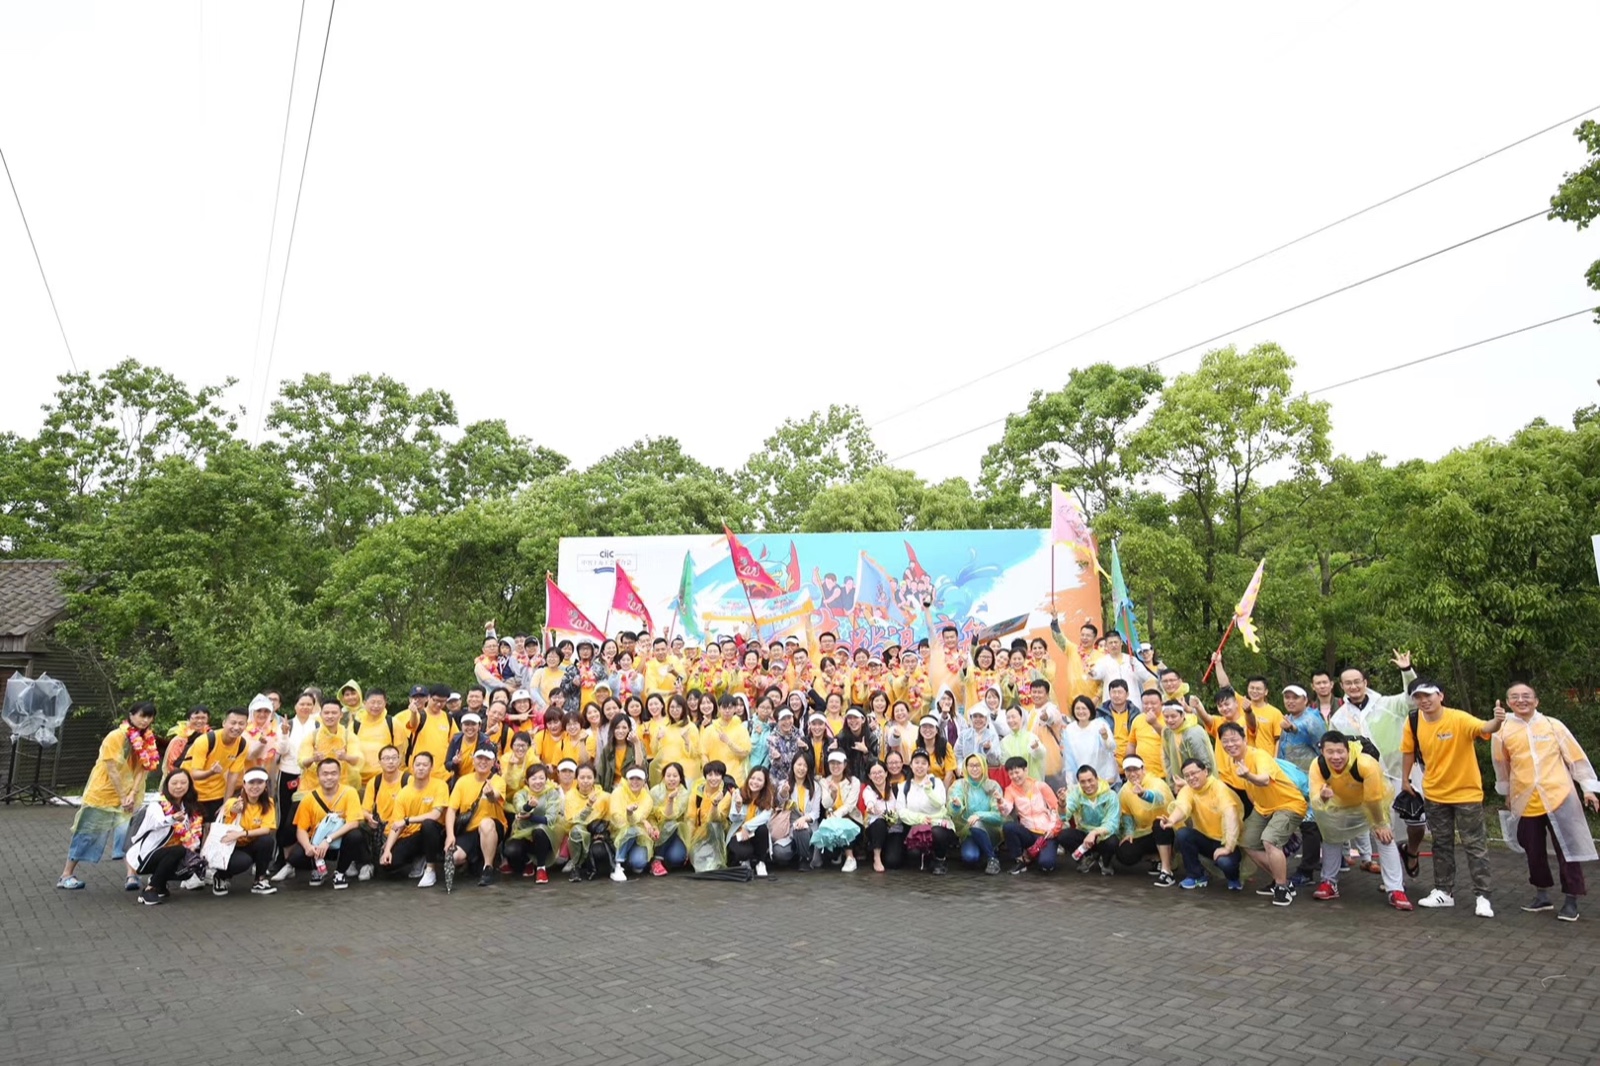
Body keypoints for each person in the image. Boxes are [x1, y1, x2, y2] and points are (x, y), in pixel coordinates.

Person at [1492, 682, 1598, 922]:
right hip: (1526, 799)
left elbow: (1575, 757)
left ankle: (1571, 900)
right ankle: (1542, 896)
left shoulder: (1552, 725)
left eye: (1526, 696)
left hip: (1559, 796)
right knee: (1534, 850)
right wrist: (1507, 793)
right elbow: (1502, 764)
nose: (1521, 700)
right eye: (1515, 697)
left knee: (1568, 850)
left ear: (1536, 701)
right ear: (1508, 703)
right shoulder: (1502, 731)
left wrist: (1588, 789)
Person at [1401, 679, 1505, 916]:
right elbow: (1408, 751)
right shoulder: (1413, 720)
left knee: (1474, 844)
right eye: (1418, 697)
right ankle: (1443, 891)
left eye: (1428, 695)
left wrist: (1498, 720)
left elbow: (1485, 727)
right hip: (1434, 793)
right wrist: (1405, 779)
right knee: (1441, 843)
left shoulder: (1458, 718)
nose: (1424, 701)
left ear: (1441, 696)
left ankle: (1482, 896)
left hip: (1466, 793)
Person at [59, 701, 160, 892]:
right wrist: (123, 796)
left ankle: (131, 875)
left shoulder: (148, 739)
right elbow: (112, 769)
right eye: (142, 715)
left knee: (130, 835)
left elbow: (144, 768)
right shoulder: (116, 736)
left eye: (149, 717)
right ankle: (66, 874)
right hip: (103, 794)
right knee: (87, 833)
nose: (145, 720)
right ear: (131, 715)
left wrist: (132, 793)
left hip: (130, 796)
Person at [1308, 731, 1411, 911]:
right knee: (1330, 835)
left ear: (1348, 750)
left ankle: (1396, 889)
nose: (1336, 757)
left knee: (1385, 837)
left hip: (1371, 803)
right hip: (1340, 804)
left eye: (1340, 752)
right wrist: (1323, 796)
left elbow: (1373, 799)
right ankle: (1329, 882)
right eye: (1330, 752)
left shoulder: (1365, 763)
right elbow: (1315, 800)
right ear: (1322, 752)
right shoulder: (1318, 765)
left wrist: (1379, 824)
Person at [1219, 721, 1306, 907]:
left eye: (1234, 739)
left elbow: (1264, 780)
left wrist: (1248, 775)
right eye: (1225, 741)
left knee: (1269, 840)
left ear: (1244, 739)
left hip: (1289, 804)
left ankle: (1282, 887)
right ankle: (1282, 880)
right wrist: (1260, 808)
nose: (1230, 744)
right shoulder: (1234, 762)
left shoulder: (1259, 755)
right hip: (1264, 808)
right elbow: (1250, 790)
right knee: (1248, 842)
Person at [282, 757, 367, 889]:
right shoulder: (309, 798)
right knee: (296, 857)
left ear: (339, 774)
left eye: (333, 773)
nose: (329, 777)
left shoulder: (349, 792)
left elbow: (353, 823)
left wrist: (328, 839)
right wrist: (307, 847)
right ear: (318, 776)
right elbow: (301, 829)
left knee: (355, 836)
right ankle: (317, 868)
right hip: (316, 843)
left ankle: (340, 872)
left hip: (339, 840)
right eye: (325, 774)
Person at [1160, 758, 1244, 891]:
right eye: (1187, 775)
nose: (1191, 778)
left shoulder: (1219, 788)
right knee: (1183, 834)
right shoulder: (1188, 790)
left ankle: (1233, 877)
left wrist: (1228, 847)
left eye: (1194, 773)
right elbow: (1182, 806)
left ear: (1205, 772)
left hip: (1227, 841)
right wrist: (1171, 820)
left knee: (1225, 862)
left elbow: (1230, 815)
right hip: (1205, 839)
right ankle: (1196, 875)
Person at [379, 751, 450, 887]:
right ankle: (419, 856)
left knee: (428, 825)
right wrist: (387, 849)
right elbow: (397, 825)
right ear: (412, 767)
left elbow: (435, 815)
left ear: (431, 767)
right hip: (413, 835)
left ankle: (430, 869)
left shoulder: (440, 785)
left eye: (425, 765)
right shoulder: (404, 793)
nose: (421, 768)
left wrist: (407, 820)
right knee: (388, 865)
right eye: (418, 765)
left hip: (436, 833)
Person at [134, 769, 205, 906]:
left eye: (183, 783)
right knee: (178, 850)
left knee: (191, 863)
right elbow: (158, 822)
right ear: (167, 785)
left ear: (189, 785)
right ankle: (149, 889)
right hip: (148, 855)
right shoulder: (157, 804)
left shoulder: (190, 807)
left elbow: (194, 834)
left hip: (173, 854)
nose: (179, 786)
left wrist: (193, 849)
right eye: (174, 783)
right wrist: (172, 818)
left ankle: (160, 884)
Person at [445, 748, 506, 888]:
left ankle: (488, 867)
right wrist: (450, 835)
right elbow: (451, 810)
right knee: (453, 857)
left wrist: (490, 794)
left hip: (491, 827)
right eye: (479, 758)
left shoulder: (497, 780)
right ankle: (472, 860)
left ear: (493, 763)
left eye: (487, 759)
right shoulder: (463, 781)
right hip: (470, 828)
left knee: (486, 824)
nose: (483, 762)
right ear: (473, 761)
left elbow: (495, 797)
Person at [999, 756, 1069, 875]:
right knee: (1009, 827)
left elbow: (1055, 809)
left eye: (1017, 772)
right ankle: (1020, 860)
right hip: (1028, 832)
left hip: (1046, 833)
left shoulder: (1040, 786)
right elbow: (1006, 810)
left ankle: (1038, 853)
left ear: (1025, 770)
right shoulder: (1010, 790)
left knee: (1046, 864)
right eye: (1011, 774)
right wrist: (1001, 803)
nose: (1015, 776)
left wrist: (1054, 830)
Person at [215, 768, 279, 895]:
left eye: (259, 782)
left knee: (267, 841)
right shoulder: (234, 802)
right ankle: (221, 876)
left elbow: (266, 829)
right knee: (243, 861)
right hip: (231, 847)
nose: (255, 786)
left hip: (249, 843)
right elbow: (231, 809)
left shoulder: (269, 803)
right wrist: (235, 809)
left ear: (265, 785)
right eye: (251, 782)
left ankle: (259, 880)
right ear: (244, 784)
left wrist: (242, 834)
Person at [180, 706, 249, 821]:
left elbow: (233, 776)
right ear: (224, 723)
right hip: (192, 792)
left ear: (246, 726)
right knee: (191, 828)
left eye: (241, 724)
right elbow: (194, 774)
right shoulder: (205, 741)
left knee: (213, 827)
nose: (236, 727)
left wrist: (226, 805)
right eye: (233, 723)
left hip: (216, 794)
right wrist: (211, 772)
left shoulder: (242, 745)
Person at [1115, 756, 1176, 885]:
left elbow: (1160, 799)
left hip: (1168, 828)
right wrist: (1129, 832)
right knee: (1125, 853)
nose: (1132, 774)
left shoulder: (1156, 782)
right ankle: (1156, 858)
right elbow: (1126, 813)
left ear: (1143, 769)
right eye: (1128, 770)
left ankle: (1166, 870)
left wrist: (1144, 794)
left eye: (1136, 769)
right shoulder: (1125, 790)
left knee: (1159, 824)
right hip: (1145, 832)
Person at [896, 750, 957, 874]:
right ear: (911, 765)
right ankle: (928, 856)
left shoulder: (936, 782)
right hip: (917, 827)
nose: (920, 766)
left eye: (924, 763)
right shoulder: (904, 786)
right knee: (913, 854)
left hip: (938, 825)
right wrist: (920, 819)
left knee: (937, 833)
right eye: (917, 762)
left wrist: (929, 790)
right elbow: (901, 811)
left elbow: (940, 803)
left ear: (928, 766)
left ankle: (940, 859)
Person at [359, 744, 410, 881]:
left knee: (390, 865)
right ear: (380, 762)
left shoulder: (407, 780)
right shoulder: (374, 782)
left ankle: (417, 858)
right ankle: (365, 863)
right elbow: (364, 809)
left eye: (394, 758)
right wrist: (368, 817)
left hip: (404, 830)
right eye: (386, 758)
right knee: (358, 825)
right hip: (381, 828)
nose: (391, 761)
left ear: (399, 760)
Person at [1058, 765, 1121, 875]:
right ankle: (1086, 858)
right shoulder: (1076, 794)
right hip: (1084, 832)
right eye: (1082, 782)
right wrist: (1062, 805)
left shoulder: (1111, 795)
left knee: (1113, 842)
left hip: (1104, 835)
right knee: (1063, 835)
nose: (1087, 785)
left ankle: (1105, 862)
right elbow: (1064, 817)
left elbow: (1112, 824)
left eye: (1090, 780)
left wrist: (1094, 833)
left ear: (1097, 779)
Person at [948, 753, 1004, 874]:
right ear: (966, 767)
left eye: (978, 765)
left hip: (990, 830)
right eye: (971, 765)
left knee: (976, 823)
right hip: (968, 832)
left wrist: (979, 815)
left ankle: (992, 858)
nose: (974, 769)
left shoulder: (992, 785)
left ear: (984, 767)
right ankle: (984, 850)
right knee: (970, 857)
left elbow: (999, 816)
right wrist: (956, 806)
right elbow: (953, 812)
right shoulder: (960, 785)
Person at [563, 763, 616, 881]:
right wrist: (589, 806)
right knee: (576, 831)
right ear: (576, 778)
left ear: (594, 779)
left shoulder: (604, 797)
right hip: (579, 835)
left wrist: (603, 832)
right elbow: (574, 821)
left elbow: (610, 820)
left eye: (589, 777)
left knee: (599, 851)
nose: (585, 781)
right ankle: (576, 867)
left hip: (597, 834)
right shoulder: (571, 796)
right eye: (582, 777)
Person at [813, 751, 863, 871]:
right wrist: (833, 794)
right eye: (832, 763)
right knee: (831, 855)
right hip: (831, 823)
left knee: (844, 823)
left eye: (838, 763)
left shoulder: (854, 781)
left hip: (851, 819)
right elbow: (826, 804)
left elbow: (850, 805)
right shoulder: (825, 782)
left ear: (844, 764)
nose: (835, 766)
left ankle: (850, 858)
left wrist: (835, 815)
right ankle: (839, 852)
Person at [609, 766, 656, 881]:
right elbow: (617, 819)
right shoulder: (617, 793)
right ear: (627, 779)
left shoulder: (647, 798)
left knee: (639, 863)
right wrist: (634, 817)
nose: (635, 781)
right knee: (631, 830)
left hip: (640, 835)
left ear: (644, 781)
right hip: (619, 833)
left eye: (638, 778)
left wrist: (631, 814)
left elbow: (638, 816)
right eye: (632, 778)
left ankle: (630, 860)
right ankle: (618, 865)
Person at [728, 766, 776, 876]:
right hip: (739, 833)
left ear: (765, 783)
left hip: (756, 833)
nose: (755, 782)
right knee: (743, 853)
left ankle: (760, 862)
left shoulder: (768, 796)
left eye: (759, 780)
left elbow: (765, 816)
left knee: (763, 829)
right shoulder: (738, 792)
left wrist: (747, 826)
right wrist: (738, 806)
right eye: (752, 778)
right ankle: (745, 860)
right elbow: (733, 819)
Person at [646, 762, 692, 874]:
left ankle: (661, 857)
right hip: (655, 830)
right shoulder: (655, 791)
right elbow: (650, 814)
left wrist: (670, 800)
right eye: (668, 776)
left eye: (675, 776)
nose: (671, 779)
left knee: (676, 858)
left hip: (675, 832)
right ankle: (657, 860)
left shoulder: (684, 794)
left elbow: (670, 816)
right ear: (663, 777)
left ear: (680, 778)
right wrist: (654, 827)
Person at [688, 760, 734, 873]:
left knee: (714, 825)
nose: (713, 778)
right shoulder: (697, 793)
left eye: (717, 775)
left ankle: (718, 857)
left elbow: (716, 819)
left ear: (722, 776)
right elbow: (691, 818)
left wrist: (715, 804)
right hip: (700, 833)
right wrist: (689, 843)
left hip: (718, 832)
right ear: (705, 776)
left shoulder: (725, 795)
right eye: (710, 775)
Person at [1061, 695, 1117, 785]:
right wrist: (1070, 783)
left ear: (1090, 709)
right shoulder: (1069, 729)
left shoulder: (1099, 725)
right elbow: (1068, 757)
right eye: (1077, 708)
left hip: (1102, 776)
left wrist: (1105, 737)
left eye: (1084, 708)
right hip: (1082, 779)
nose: (1081, 711)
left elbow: (1111, 747)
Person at [701, 695, 753, 786]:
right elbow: (704, 753)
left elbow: (745, 752)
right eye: (724, 707)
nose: (727, 711)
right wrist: (707, 773)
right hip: (714, 776)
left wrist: (729, 742)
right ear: (719, 709)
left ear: (735, 709)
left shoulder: (741, 729)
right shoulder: (710, 729)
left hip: (735, 776)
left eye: (730, 708)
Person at [860, 761, 900, 872]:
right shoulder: (868, 790)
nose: (877, 776)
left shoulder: (895, 789)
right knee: (879, 822)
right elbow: (869, 800)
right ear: (869, 776)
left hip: (894, 828)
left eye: (880, 772)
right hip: (876, 828)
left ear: (886, 773)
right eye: (874, 773)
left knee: (893, 862)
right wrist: (870, 806)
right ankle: (876, 857)